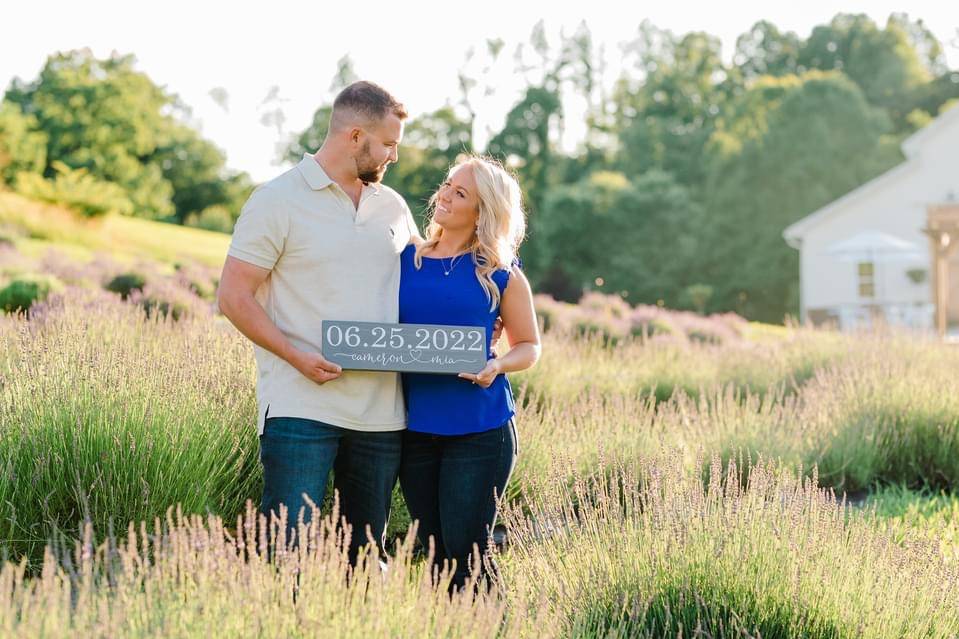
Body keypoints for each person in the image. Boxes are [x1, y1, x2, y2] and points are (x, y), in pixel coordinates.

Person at [216, 80, 418, 564]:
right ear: (354, 136)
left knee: (366, 559)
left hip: (381, 413)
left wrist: (484, 321)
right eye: (388, 144)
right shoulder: (276, 199)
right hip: (300, 404)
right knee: (286, 551)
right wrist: (296, 357)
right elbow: (233, 296)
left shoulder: (392, 206)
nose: (393, 156)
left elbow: (423, 284)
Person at [397, 155, 541, 592]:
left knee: (467, 551)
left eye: (460, 194)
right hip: (413, 430)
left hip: (480, 431)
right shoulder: (405, 259)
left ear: (482, 213)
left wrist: (495, 364)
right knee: (436, 553)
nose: (444, 195)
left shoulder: (500, 274)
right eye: (447, 185)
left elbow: (529, 346)